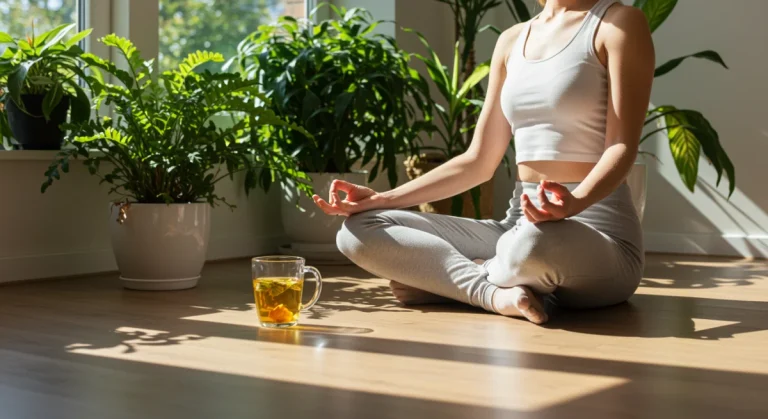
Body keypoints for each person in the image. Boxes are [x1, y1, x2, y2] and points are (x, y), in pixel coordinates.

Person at [312, 0, 654, 325]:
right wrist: (382, 199)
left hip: (596, 234)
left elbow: (621, 147)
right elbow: (478, 161)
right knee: (359, 230)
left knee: (533, 244)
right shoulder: (511, 40)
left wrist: (574, 201)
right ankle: (494, 295)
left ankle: (452, 284)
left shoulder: (618, 23)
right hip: (516, 228)